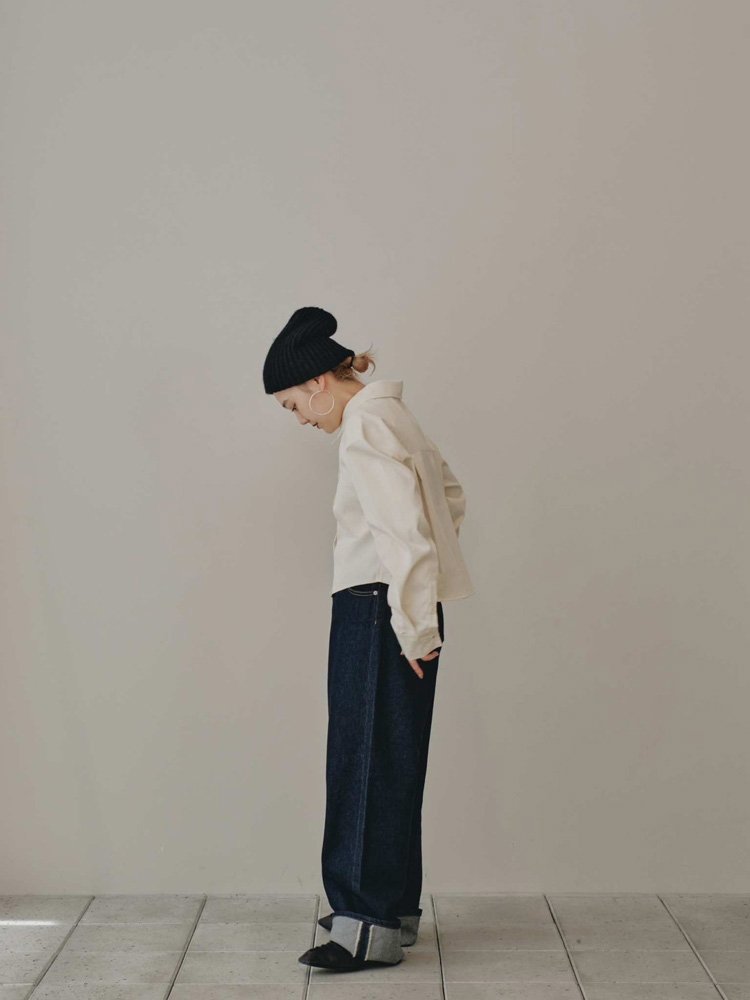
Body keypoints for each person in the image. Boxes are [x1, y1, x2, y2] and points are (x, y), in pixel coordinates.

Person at [262, 305, 475, 971]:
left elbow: (404, 531)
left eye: (293, 404)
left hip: (376, 606)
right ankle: (391, 911)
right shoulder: (394, 416)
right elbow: (449, 497)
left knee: (362, 759)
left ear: (318, 382)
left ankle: (362, 924)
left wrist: (411, 625)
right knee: (394, 760)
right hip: (403, 604)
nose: (299, 418)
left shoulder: (362, 426)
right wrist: (424, 606)